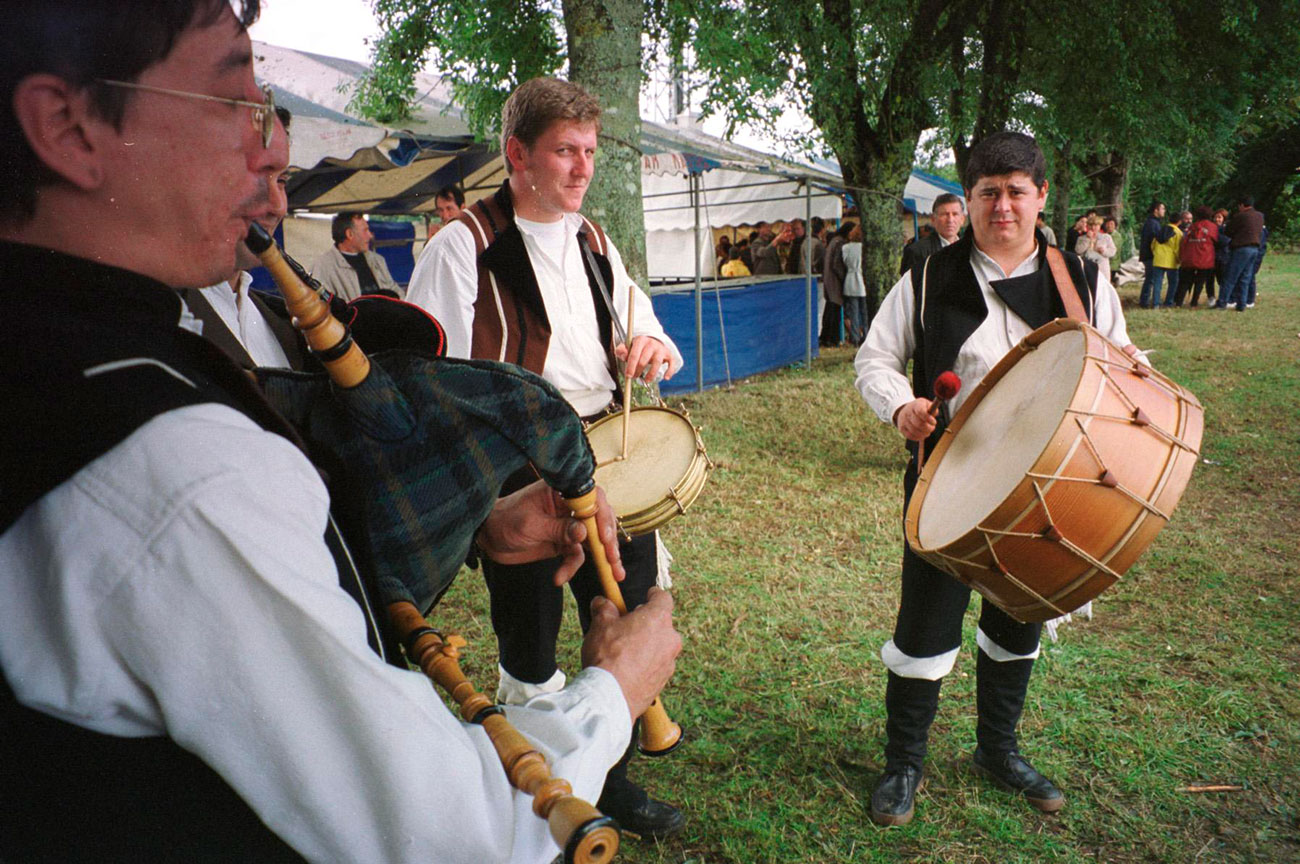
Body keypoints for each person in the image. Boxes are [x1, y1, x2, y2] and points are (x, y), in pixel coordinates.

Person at [0, 5, 682, 863]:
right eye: (233, 96)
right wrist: (612, 694)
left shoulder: (75, 351)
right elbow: (449, 833)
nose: (276, 145)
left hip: (565, 463)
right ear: (67, 127)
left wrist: (478, 519)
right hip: (518, 466)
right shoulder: (171, 461)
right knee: (534, 649)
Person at [403, 76, 688, 840]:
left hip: (605, 458)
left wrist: (650, 346)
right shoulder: (463, 246)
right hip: (516, 468)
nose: (581, 168)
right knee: (528, 636)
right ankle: (536, 797)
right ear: (516, 154)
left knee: (621, 616)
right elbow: (431, 381)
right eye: (564, 151)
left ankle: (614, 783)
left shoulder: (594, 239)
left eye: (589, 151)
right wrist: (491, 500)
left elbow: (642, 319)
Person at [854, 131, 1138, 828]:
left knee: (1018, 621)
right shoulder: (926, 277)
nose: (1002, 206)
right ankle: (903, 765)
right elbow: (875, 359)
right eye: (988, 193)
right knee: (925, 630)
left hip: (1054, 485)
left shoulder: (1082, 279)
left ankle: (997, 750)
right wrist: (901, 406)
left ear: (1042, 197)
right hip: (947, 477)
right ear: (969, 199)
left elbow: (1122, 358)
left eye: (1016, 191)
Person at [178, 105, 305, 369]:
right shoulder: (155, 315)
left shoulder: (283, 327)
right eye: (254, 177)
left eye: (281, 181)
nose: (278, 207)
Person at [310, 211, 403, 301]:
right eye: (365, 230)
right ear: (349, 234)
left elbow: (397, 292)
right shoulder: (323, 266)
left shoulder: (377, 260)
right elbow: (320, 306)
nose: (370, 235)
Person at [900, 193, 965, 275]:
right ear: (933, 219)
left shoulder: (970, 249)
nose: (950, 220)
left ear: (962, 219)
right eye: (945, 214)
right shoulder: (917, 252)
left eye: (955, 214)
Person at [1178, 206, 1219, 308]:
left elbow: (1185, 240)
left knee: (1185, 281)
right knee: (1200, 281)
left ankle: (1178, 301)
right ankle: (1194, 302)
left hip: (1190, 257)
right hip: (1205, 258)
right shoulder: (1212, 227)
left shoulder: (1193, 226)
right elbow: (1216, 240)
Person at [1138, 201, 1173, 308]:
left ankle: (1145, 300)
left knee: (1150, 278)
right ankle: (1144, 301)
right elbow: (1158, 239)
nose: (1164, 211)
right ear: (1156, 210)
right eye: (1162, 209)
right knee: (1150, 279)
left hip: (1147, 254)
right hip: (1150, 255)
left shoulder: (1153, 222)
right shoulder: (1153, 224)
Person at [822, 222, 851, 346]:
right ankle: (832, 339)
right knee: (834, 311)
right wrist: (844, 276)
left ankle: (825, 337)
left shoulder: (834, 241)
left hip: (829, 280)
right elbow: (837, 264)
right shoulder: (840, 243)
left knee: (829, 310)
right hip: (835, 282)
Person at [841, 224, 869, 344]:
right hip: (862, 279)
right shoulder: (865, 248)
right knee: (865, 311)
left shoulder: (846, 248)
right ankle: (867, 334)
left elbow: (844, 261)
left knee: (854, 312)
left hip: (850, 279)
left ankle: (855, 336)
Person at [1151, 211, 1183, 307]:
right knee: (1173, 283)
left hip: (1158, 260)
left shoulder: (1161, 230)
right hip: (1171, 261)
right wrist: (1179, 260)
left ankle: (1156, 303)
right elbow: (1178, 249)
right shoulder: (1178, 233)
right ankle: (1168, 302)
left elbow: (1152, 245)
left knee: (1157, 283)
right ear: (1180, 221)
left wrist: (1155, 254)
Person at [1074, 214, 1117, 286]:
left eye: (1096, 225)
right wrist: (1087, 239)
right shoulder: (1081, 238)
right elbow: (1078, 251)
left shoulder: (1106, 237)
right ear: (1087, 226)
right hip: (1087, 268)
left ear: (1099, 226)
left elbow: (1113, 251)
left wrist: (1104, 251)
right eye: (1091, 225)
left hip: (1102, 269)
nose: (1093, 228)